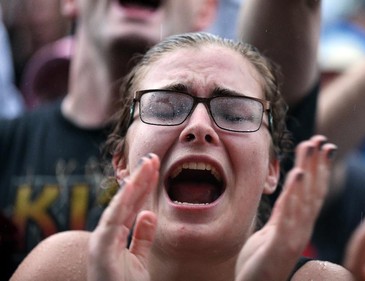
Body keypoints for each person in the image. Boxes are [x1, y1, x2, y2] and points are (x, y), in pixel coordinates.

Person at [0, 0, 323, 278]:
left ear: (272, 168)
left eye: (235, 115)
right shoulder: (63, 268)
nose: (199, 126)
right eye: (166, 109)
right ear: (121, 162)